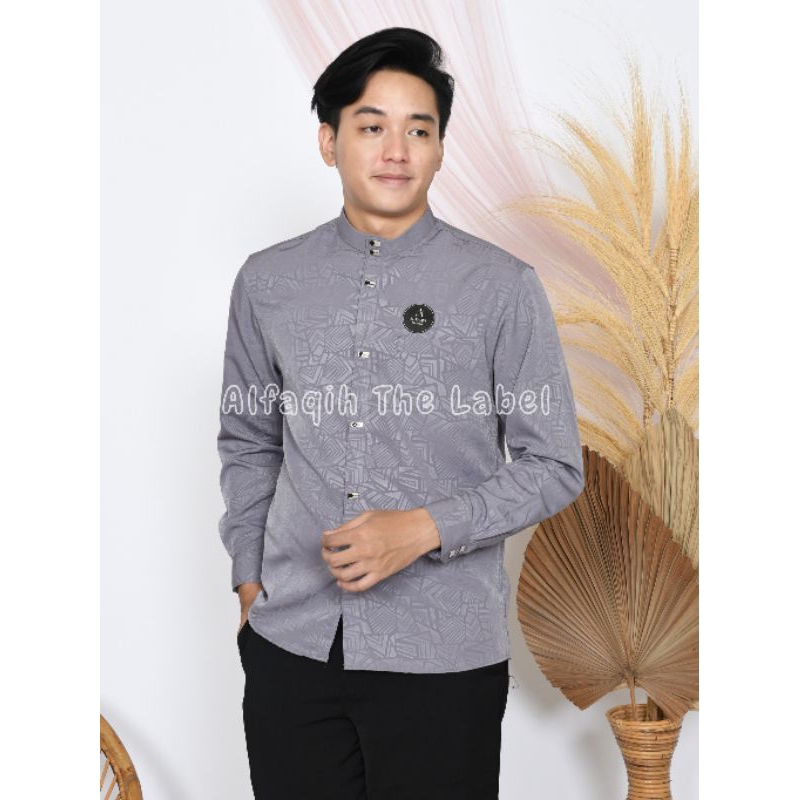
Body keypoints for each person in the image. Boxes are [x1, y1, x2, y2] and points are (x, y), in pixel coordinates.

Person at [216, 26, 584, 800]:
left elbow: (554, 464)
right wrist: (250, 579)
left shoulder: (501, 287)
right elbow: (249, 440)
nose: (396, 150)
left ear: (441, 148)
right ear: (329, 141)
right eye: (371, 126)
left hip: (443, 659)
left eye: (418, 130)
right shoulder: (268, 283)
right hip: (292, 649)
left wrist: (424, 528)